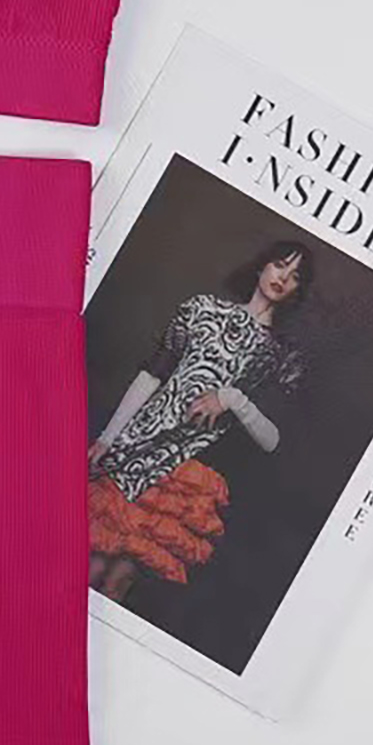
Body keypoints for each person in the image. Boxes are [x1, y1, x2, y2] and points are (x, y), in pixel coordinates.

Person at [87, 240, 311, 602]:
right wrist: (108, 437)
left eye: (296, 275)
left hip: (184, 475)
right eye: (280, 264)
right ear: (262, 265)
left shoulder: (282, 357)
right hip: (136, 448)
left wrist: (231, 398)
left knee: (118, 582)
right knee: (90, 565)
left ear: (298, 290)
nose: (283, 277)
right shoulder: (202, 309)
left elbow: (273, 441)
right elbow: (153, 374)